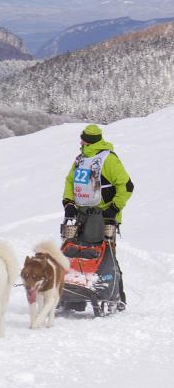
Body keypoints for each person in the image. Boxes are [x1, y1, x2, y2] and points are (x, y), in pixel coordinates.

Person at [62, 123, 134, 307]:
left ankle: (116, 296)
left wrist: (114, 208)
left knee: (106, 255)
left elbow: (126, 186)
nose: (80, 142)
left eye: (83, 139)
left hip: (105, 216)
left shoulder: (108, 159)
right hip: (82, 214)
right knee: (77, 253)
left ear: (89, 141)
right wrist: (68, 203)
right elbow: (70, 181)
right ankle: (75, 297)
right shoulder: (80, 159)